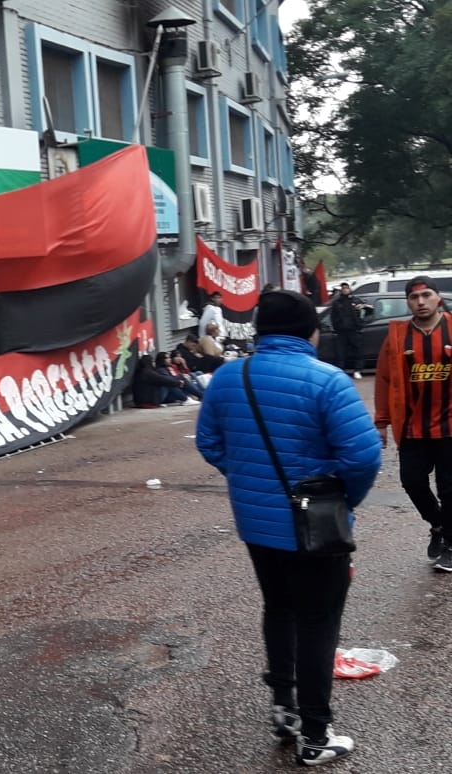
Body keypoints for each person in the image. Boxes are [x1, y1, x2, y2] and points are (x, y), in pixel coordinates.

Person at [196, 289, 381, 766]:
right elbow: (363, 457)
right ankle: (316, 736)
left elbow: (209, 443)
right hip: (315, 526)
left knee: (279, 608)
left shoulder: (229, 377)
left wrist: (248, 480)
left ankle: (284, 708)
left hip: (256, 524)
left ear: (261, 329)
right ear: (311, 332)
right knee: (318, 623)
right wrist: (341, 500)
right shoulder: (328, 380)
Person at [374, 276, 452, 570]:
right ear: (408, 302)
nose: (420, 302)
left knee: (449, 489)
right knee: (413, 483)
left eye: (426, 295)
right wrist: (381, 422)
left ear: (438, 298)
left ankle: (451, 545)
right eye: (414, 297)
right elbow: (384, 380)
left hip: (449, 428)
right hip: (412, 428)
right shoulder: (397, 337)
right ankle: (438, 525)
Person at [328, 282, 372, 380]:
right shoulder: (337, 302)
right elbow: (333, 316)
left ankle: (357, 370)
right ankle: (341, 372)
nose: (345, 289)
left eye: (346, 288)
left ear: (350, 289)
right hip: (341, 332)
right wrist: (336, 327)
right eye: (343, 288)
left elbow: (369, 311)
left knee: (358, 351)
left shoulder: (356, 300)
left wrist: (362, 316)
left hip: (354, 330)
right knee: (340, 352)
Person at [131, 354, 197, 408]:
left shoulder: (140, 372)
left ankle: (188, 398)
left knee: (173, 383)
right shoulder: (148, 372)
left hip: (141, 401)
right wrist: (178, 382)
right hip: (148, 402)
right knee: (168, 384)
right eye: (152, 361)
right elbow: (162, 379)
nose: (154, 363)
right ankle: (186, 399)